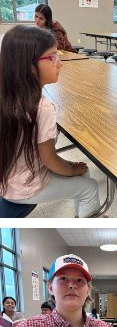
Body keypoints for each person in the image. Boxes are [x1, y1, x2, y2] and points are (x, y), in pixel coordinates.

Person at [0, 26, 101, 217]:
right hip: (23, 187)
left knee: (84, 173)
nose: (60, 64)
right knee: (90, 188)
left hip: (9, 178)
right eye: (53, 57)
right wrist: (70, 170)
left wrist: (72, 168)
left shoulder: (8, 97)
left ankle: (81, 217)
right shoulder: (41, 108)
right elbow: (48, 159)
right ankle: (85, 218)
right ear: (30, 67)